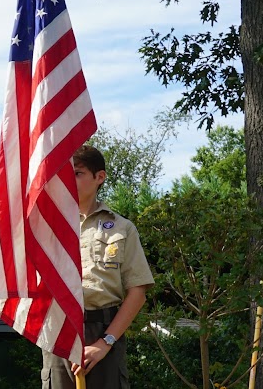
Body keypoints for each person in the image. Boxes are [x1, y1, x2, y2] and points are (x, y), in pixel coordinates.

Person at [41, 145, 155, 388]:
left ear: (99, 177)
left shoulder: (121, 228)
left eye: (77, 173)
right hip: (58, 332)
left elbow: (138, 291)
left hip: (104, 332)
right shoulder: (46, 227)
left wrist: (105, 343)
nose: (69, 181)